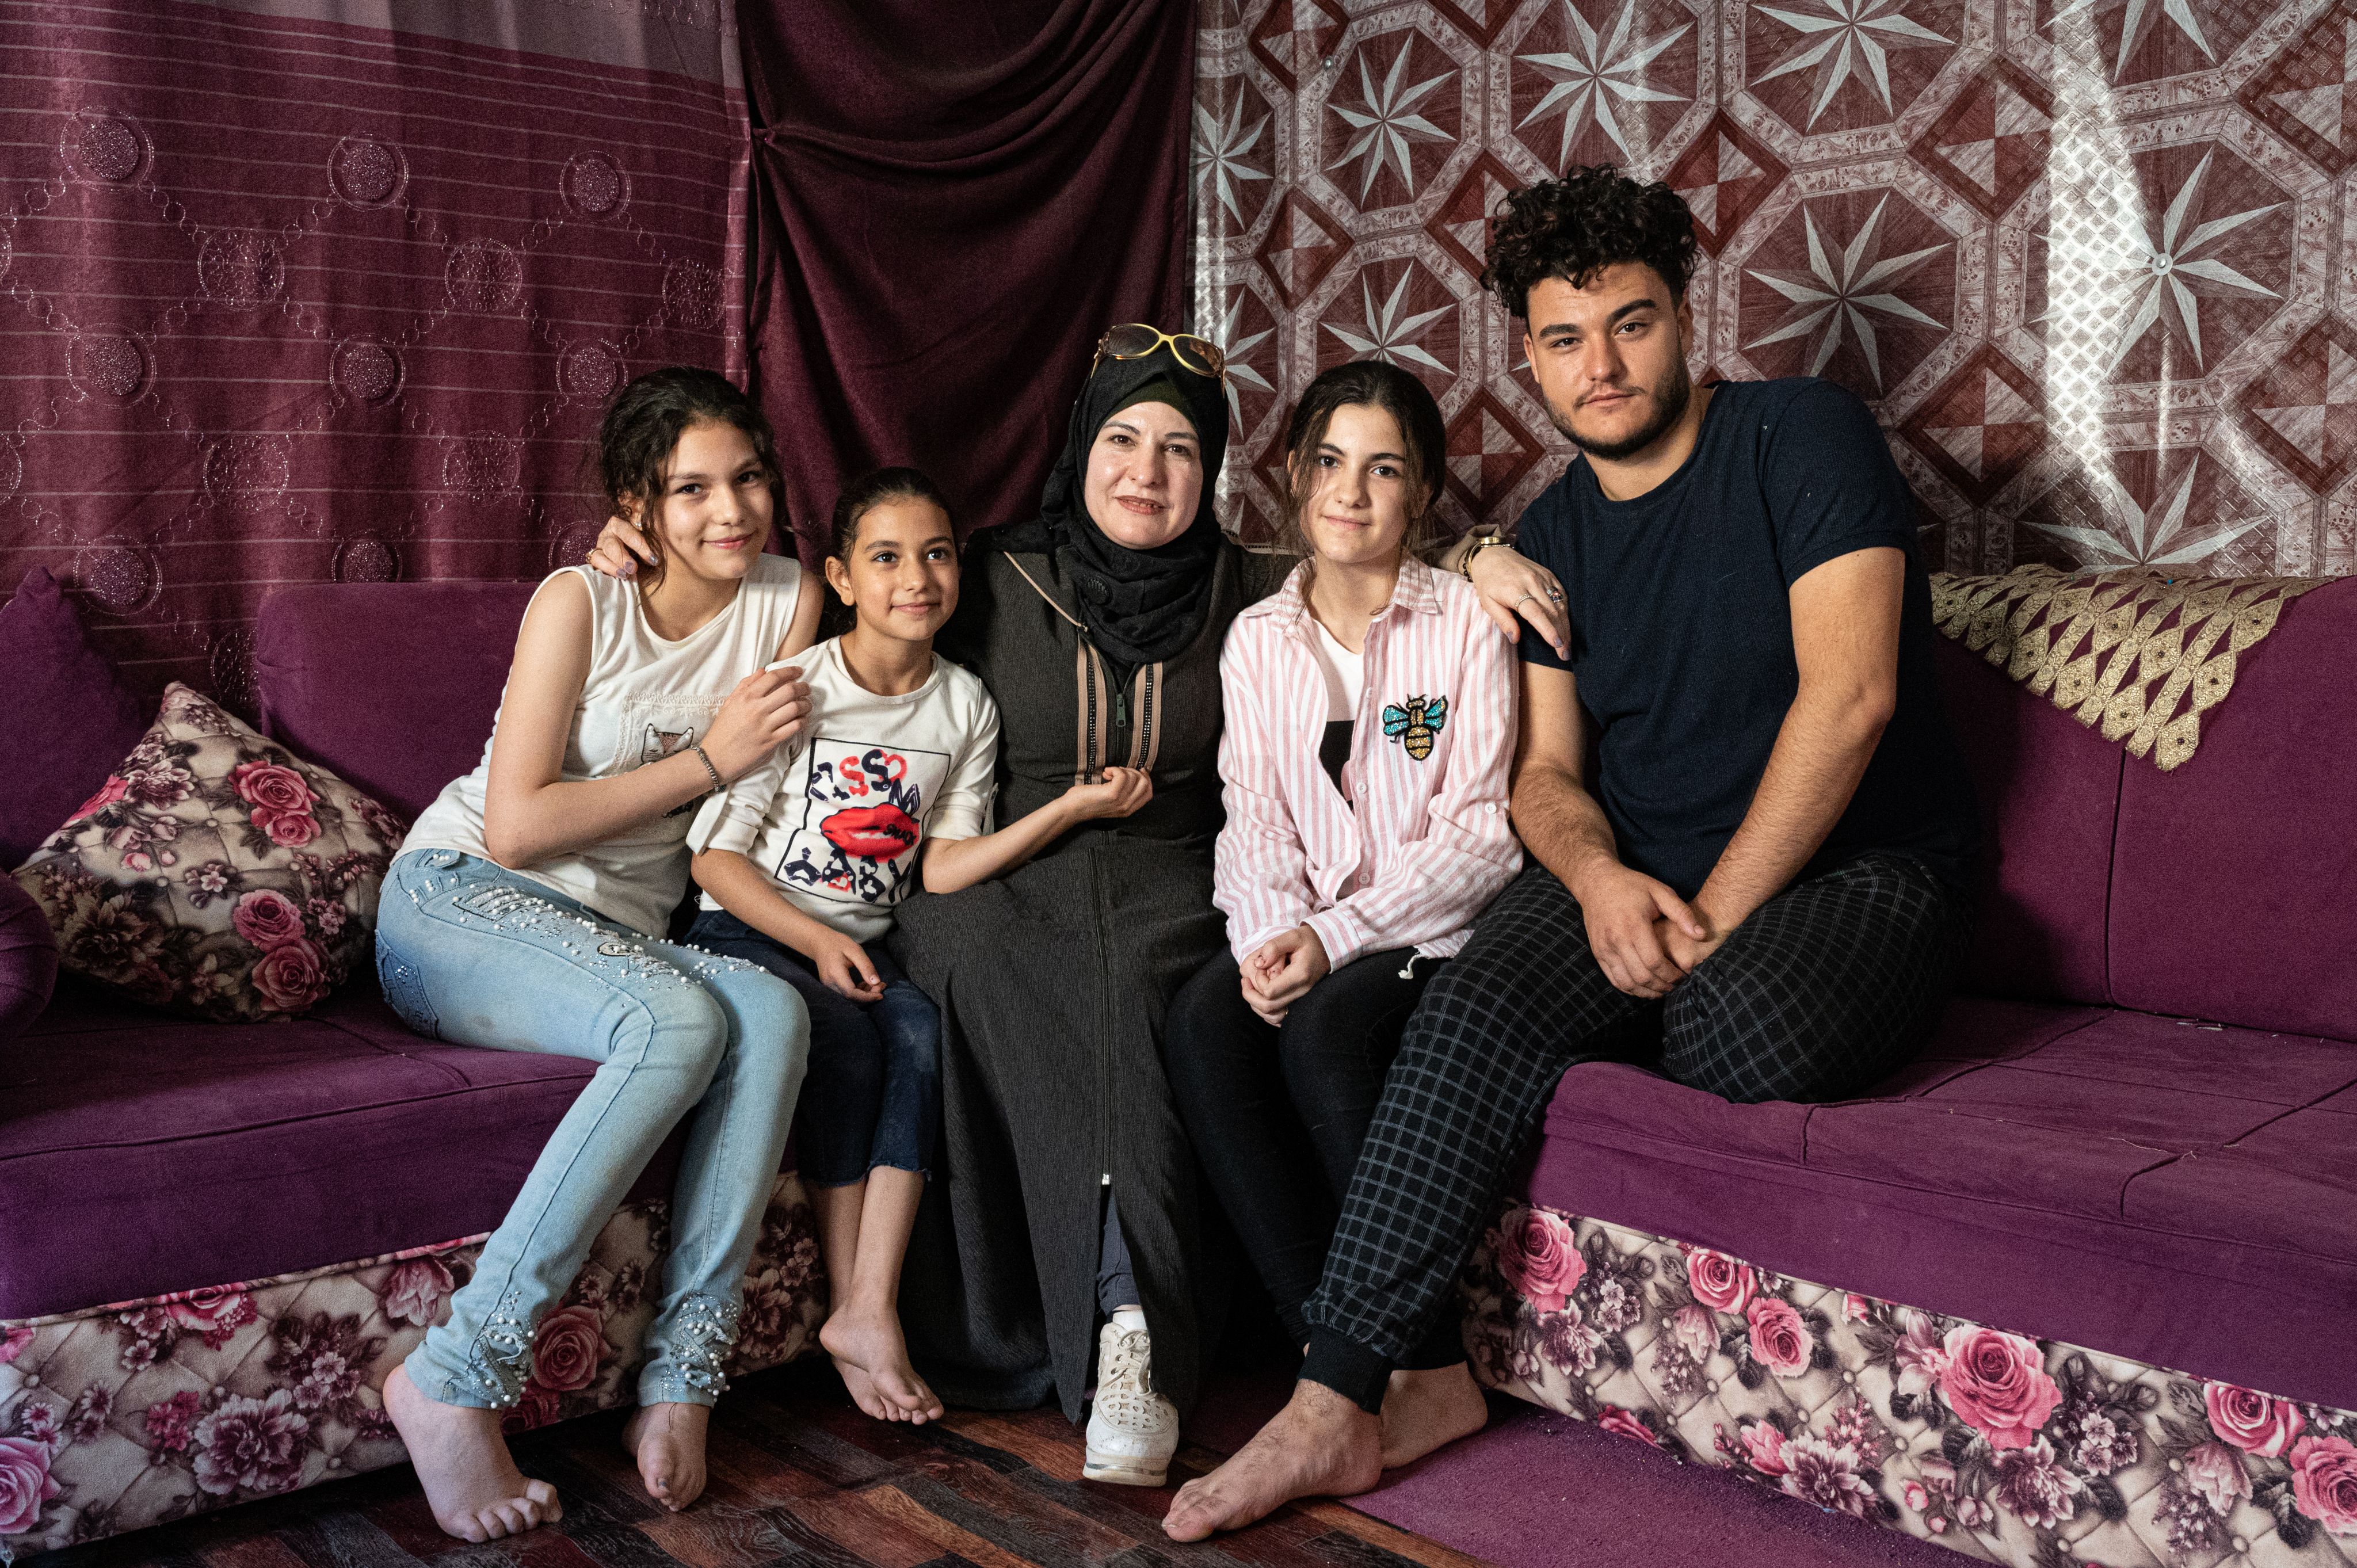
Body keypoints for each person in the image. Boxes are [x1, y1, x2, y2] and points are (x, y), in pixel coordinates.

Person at [588, 327, 1569, 1487]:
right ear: (1079, 448)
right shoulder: (982, 570)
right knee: (993, 957)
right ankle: (1110, 1318)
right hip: (996, 868)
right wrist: (646, 558)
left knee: (1156, 983)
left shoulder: (1253, 585)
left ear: (1212, 471)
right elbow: (836, 613)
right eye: (1119, 438)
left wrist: (1483, 554)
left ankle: (1146, 1338)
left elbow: (1363, 549)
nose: (1145, 471)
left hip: (1181, 872)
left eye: (1175, 449)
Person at [1165, 166, 1980, 1539]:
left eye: (1631, 323)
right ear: (1525, 352)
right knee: (1469, 1006)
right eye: (1562, 337)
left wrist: (1706, 913)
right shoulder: (1541, 539)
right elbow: (1543, 777)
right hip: (1637, 870)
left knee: (1733, 1030)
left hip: (1864, 864)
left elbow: (1852, 698)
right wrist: (1599, 882)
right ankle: (1342, 1397)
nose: (1598, 366)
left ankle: (1635, 1001)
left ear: (1684, 315)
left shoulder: (1803, 437)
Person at [377, 368, 825, 1540]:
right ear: (640, 497)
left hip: (610, 941)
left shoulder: (787, 599)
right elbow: (519, 823)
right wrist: (709, 760)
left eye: (747, 478)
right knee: (679, 1021)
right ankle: (452, 1376)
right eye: (689, 490)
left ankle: (684, 1377)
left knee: (771, 1013)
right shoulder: (581, 598)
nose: (728, 511)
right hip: (458, 902)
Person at [678, 467, 1153, 1432]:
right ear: (844, 579)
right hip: (754, 926)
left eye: (937, 554)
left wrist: (1068, 807)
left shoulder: (964, 707)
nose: (917, 577)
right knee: (851, 1040)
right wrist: (814, 938)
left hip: (856, 945)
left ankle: (864, 1308)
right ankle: (870, 1314)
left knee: (920, 1033)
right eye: (886, 557)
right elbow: (715, 861)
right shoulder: (795, 690)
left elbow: (939, 869)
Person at [1164, 360, 1521, 1468]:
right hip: (1308, 917)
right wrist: (1271, 936)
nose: (1351, 493)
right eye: (1329, 464)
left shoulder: (1464, 620)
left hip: (1433, 929)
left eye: (1384, 471)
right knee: (1205, 1018)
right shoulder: (1261, 640)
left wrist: (1334, 937)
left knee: (1327, 1030)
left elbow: (1484, 834)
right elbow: (1253, 818)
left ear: (1423, 496)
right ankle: (1329, 1349)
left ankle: (1425, 1365)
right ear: (1293, 475)